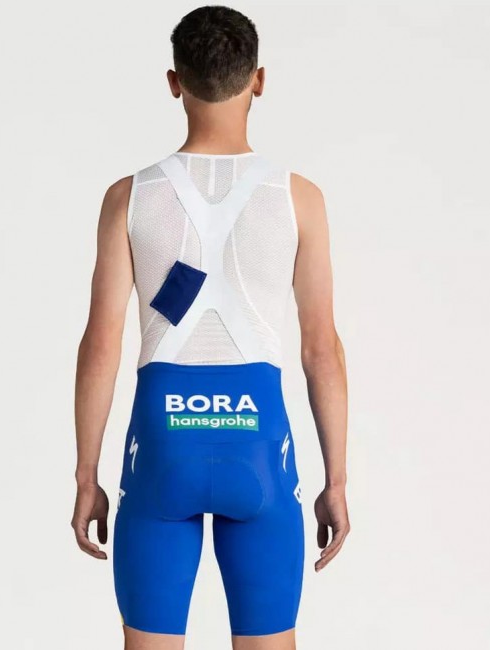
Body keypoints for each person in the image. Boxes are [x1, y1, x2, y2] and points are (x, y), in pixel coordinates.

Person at [71, 6, 349, 650]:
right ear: (259, 80)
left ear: (175, 83)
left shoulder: (129, 197)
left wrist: (86, 476)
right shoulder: (299, 198)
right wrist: (336, 481)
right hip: (261, 446)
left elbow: (101, 346)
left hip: (160, 444)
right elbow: (322, 351)